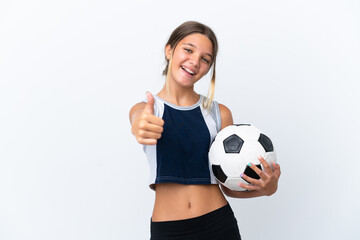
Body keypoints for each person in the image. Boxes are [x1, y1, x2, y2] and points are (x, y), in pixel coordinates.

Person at [129, 21, 281, 240]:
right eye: (188, 50)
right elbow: (138, 120)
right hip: (169, 230)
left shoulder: (219, 113)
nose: (194, 62)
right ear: (169, 50)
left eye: (205, 59)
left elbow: (230, 185)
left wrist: (267, 189)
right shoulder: (147, 110)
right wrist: (140, 125)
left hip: (218, 224)